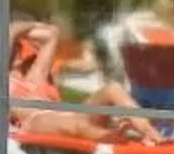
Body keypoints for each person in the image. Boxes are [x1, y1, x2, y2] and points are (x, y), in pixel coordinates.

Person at [9, 22, 162, 145]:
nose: (16, 52)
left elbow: (52, 33)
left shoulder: (35, 78)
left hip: (67, 114)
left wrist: (17, 27)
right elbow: (5, 42)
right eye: (13, 48)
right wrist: (13, 31)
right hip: (35, 122)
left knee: (112, 89)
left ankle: (148, 131)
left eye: (18, 48)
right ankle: (114, 137)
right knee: (77, 125)